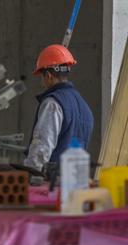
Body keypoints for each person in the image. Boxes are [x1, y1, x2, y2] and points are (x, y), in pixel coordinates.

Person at [23, 44, 94, 172]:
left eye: (41, 76)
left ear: (49, 76)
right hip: (76, 180)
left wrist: (30, 175)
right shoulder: (84, 107)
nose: (42, 82)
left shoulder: (53, 103)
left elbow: (42, 145)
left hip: (53, 183)